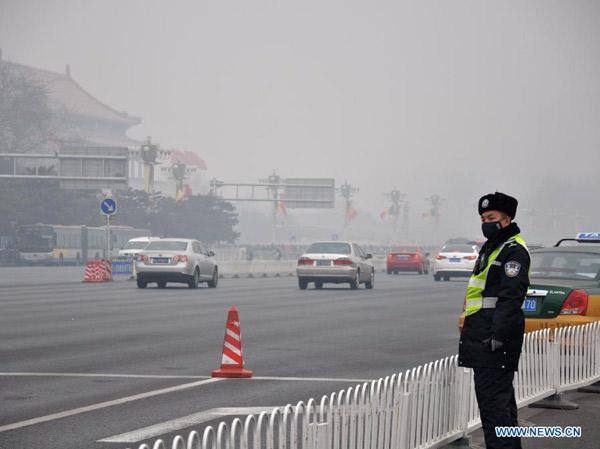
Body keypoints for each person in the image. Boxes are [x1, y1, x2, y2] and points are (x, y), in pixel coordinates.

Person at [458, 192, 530, 449]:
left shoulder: (513, 252)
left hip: (494, 342)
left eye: (491, 217)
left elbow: (510, 298)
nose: (485, 222)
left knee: (495, 414)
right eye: (483, 218)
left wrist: (497, 337)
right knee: (501, 411)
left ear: (507, 219)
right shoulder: (493, 248)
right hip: (484, 338)